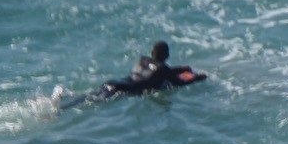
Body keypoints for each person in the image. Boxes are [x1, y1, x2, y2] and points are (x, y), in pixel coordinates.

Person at [80, 40, 209, 103]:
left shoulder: (143, 60)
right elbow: (180, 82)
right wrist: (199, 77)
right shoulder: (163, 69)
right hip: (124, 91)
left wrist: (181, 68)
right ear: (167, 56)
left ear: (152, 53)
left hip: (114, 83)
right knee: (88, 103)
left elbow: (159, 71)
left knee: (83, 98)